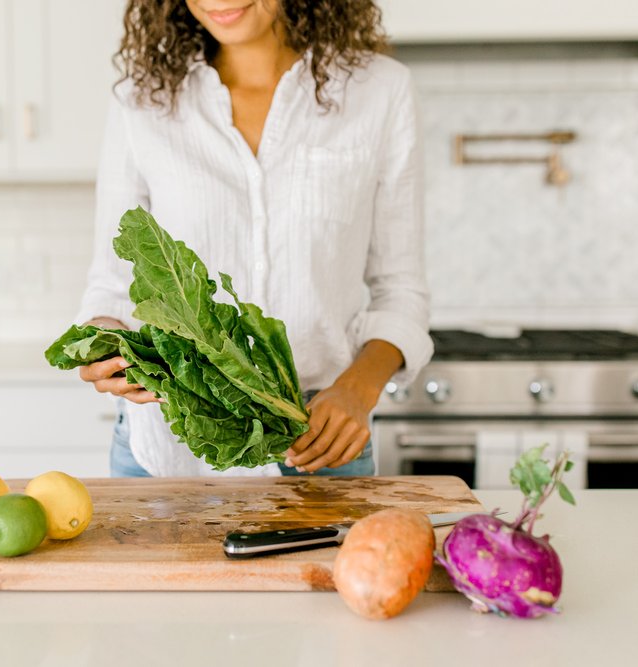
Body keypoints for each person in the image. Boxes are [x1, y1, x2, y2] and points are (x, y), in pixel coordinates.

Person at [75, 0, 432, 477]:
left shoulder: (380, 92)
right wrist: (108, 343)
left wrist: (358, 390)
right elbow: (113, 284)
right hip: (170, 445)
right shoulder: (142, 101)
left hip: (317, 441)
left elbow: (400, 290)